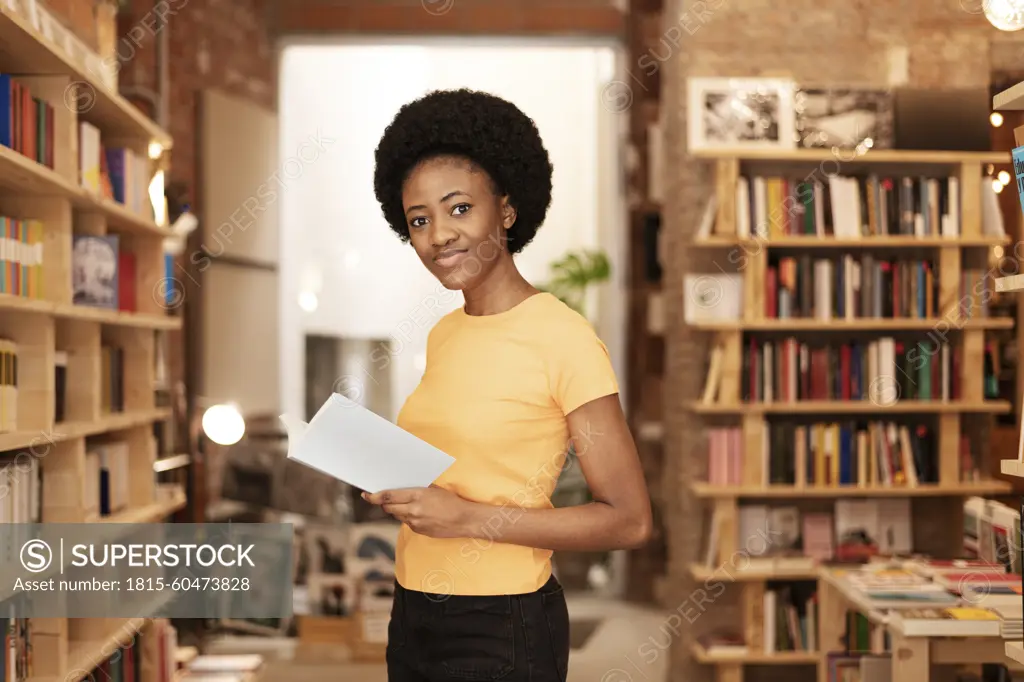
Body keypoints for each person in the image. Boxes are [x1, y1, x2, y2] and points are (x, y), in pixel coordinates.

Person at [365, 87, 653, 682]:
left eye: (459, 209)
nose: (439, 234)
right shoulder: (445, 334)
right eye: (419, 220)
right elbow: (462, 469)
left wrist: (467, 519)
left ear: (507, 210)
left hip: (501, 623)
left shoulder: (563, 337)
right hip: (413, 607)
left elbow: (628, 520)